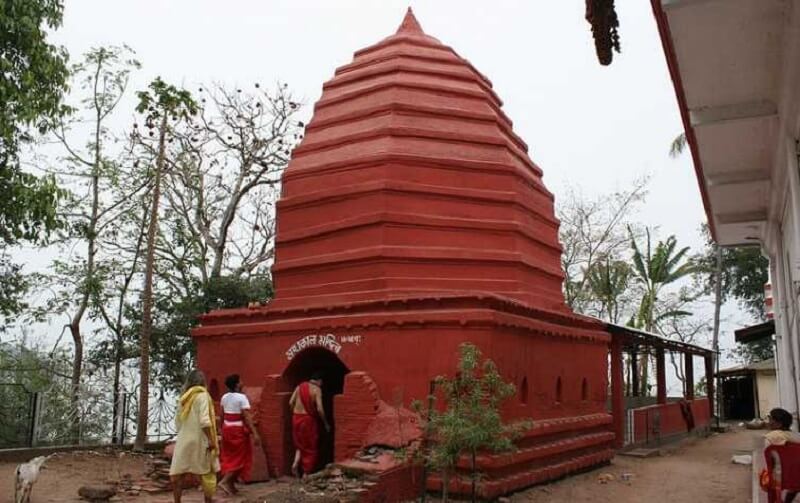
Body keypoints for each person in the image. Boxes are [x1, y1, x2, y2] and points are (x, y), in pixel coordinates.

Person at [169, 369, 219, 503]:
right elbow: (204, 421)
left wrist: (184, 434)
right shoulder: (203, 396)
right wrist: (210, 439)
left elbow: (178, 422)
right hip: (200, 440)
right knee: (206, 474)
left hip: (184, 440)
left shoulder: (184, 398)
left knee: (178, 475)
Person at [218, 374, 261, 495]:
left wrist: (220, 429)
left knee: (230, 457)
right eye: (240, 381)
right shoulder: (242, 398)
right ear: (237, 384)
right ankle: (224, 481)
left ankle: (231, 486)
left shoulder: (224, 397)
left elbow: (221, 415)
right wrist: (255, 433)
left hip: (227, 429)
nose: (242, 382)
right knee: (240, 458)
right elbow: (247, 417)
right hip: (237, 430)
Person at [289, 372, 330, 477]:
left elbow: (290, 402)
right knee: (310, 447)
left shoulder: (299, 387)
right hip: (308, 420)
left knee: (299, 444)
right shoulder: (316, 390)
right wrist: (325, 422)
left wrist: (294, 414)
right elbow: (320, 409)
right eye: (322, 382)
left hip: (296, 418)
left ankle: (295, 463)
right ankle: (306, 472)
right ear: (319, 381)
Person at [763, 408, 800, 503]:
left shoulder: (770, 438)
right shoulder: (797, 436)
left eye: (771, 419)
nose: (769, 422)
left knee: (766, 474)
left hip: (779, 478)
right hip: (797, 476)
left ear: (779, 424)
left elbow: (770, 463)